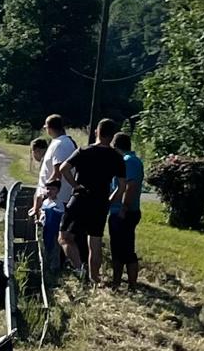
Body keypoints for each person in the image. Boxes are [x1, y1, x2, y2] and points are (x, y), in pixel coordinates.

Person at [61, 119, 126, 285]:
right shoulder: (117, 157)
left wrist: (76, 185)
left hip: (81, 198)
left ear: (96, 131)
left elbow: (64, 169)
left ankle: (79, 269)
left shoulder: (84, 151)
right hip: (100, 202)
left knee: (65, 237)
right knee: (95, 241)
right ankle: (95, 278)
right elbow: (122, 186)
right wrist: (110, 200)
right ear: (112, 136)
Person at [34, 114, 80, 274]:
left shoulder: (62, 144)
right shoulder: (58, 142)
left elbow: (57, 172)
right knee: (49, 235)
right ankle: (52, 266)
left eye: (46, 127)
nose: (45, 129)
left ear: (50, 127)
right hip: (53, 199)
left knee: (53, 236)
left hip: (56, 200)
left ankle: (55, 268)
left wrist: (47, 194)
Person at [107, 132, 145, 288]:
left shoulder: (128, 161)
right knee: (119, 249)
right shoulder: (129, 161)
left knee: (124, 250)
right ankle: (120, 283)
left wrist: (124, 207)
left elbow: (131, 186)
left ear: (115, 146)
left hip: (124, 212)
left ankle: (127, 284)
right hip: (120, 211)